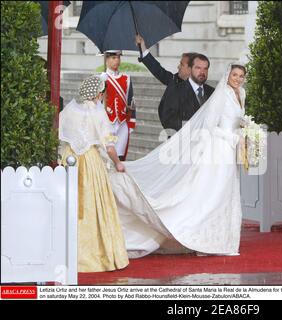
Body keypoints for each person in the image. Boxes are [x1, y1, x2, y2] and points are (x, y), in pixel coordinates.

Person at [108, 63, 247, 258]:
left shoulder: (241, 94)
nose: (238, 79)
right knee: (212, 193)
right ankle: (198, 236)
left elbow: (237, 121)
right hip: (218, 150)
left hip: (229, 152)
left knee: (224, 193)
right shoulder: (222, 94)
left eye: (241, 76)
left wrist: (246, 134)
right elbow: (209, 126)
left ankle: (220, 238)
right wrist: (233, 138)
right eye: (235, 75)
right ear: (228, 75)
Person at [58, 75, 129, 272]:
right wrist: (117, 163)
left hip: (68, 160)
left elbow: (59, 135)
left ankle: (65, 253)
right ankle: (97, 256)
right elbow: (108, 144)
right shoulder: (97, 113)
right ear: (98, 94)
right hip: (90, 163)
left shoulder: (70, 109)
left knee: (68, 204)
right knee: (93, 205)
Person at [135, 34, 197, 131]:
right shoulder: (175, 81)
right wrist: (143, 47)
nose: (178, 67)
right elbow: (159, 71)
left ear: (190, 69)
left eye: (181, 64)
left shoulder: (202, 92)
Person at [161, 53, 215, 134]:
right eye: (198, 68)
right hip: (182, 142)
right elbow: (167, 119)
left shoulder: (212, 92)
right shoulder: (175, 90)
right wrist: (194, 128)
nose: (202, 72)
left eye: (205, 69)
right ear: (190, 69)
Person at [101, 50, 136, 161]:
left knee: (120, 157)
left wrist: (131, 124)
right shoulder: (101, 78)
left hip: (122, 123)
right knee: (107, 156)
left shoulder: (126, 78)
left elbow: (131, 102)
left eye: (118, 57)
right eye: (113, 58)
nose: (117, 60)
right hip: (106, 123)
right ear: (106, 59)